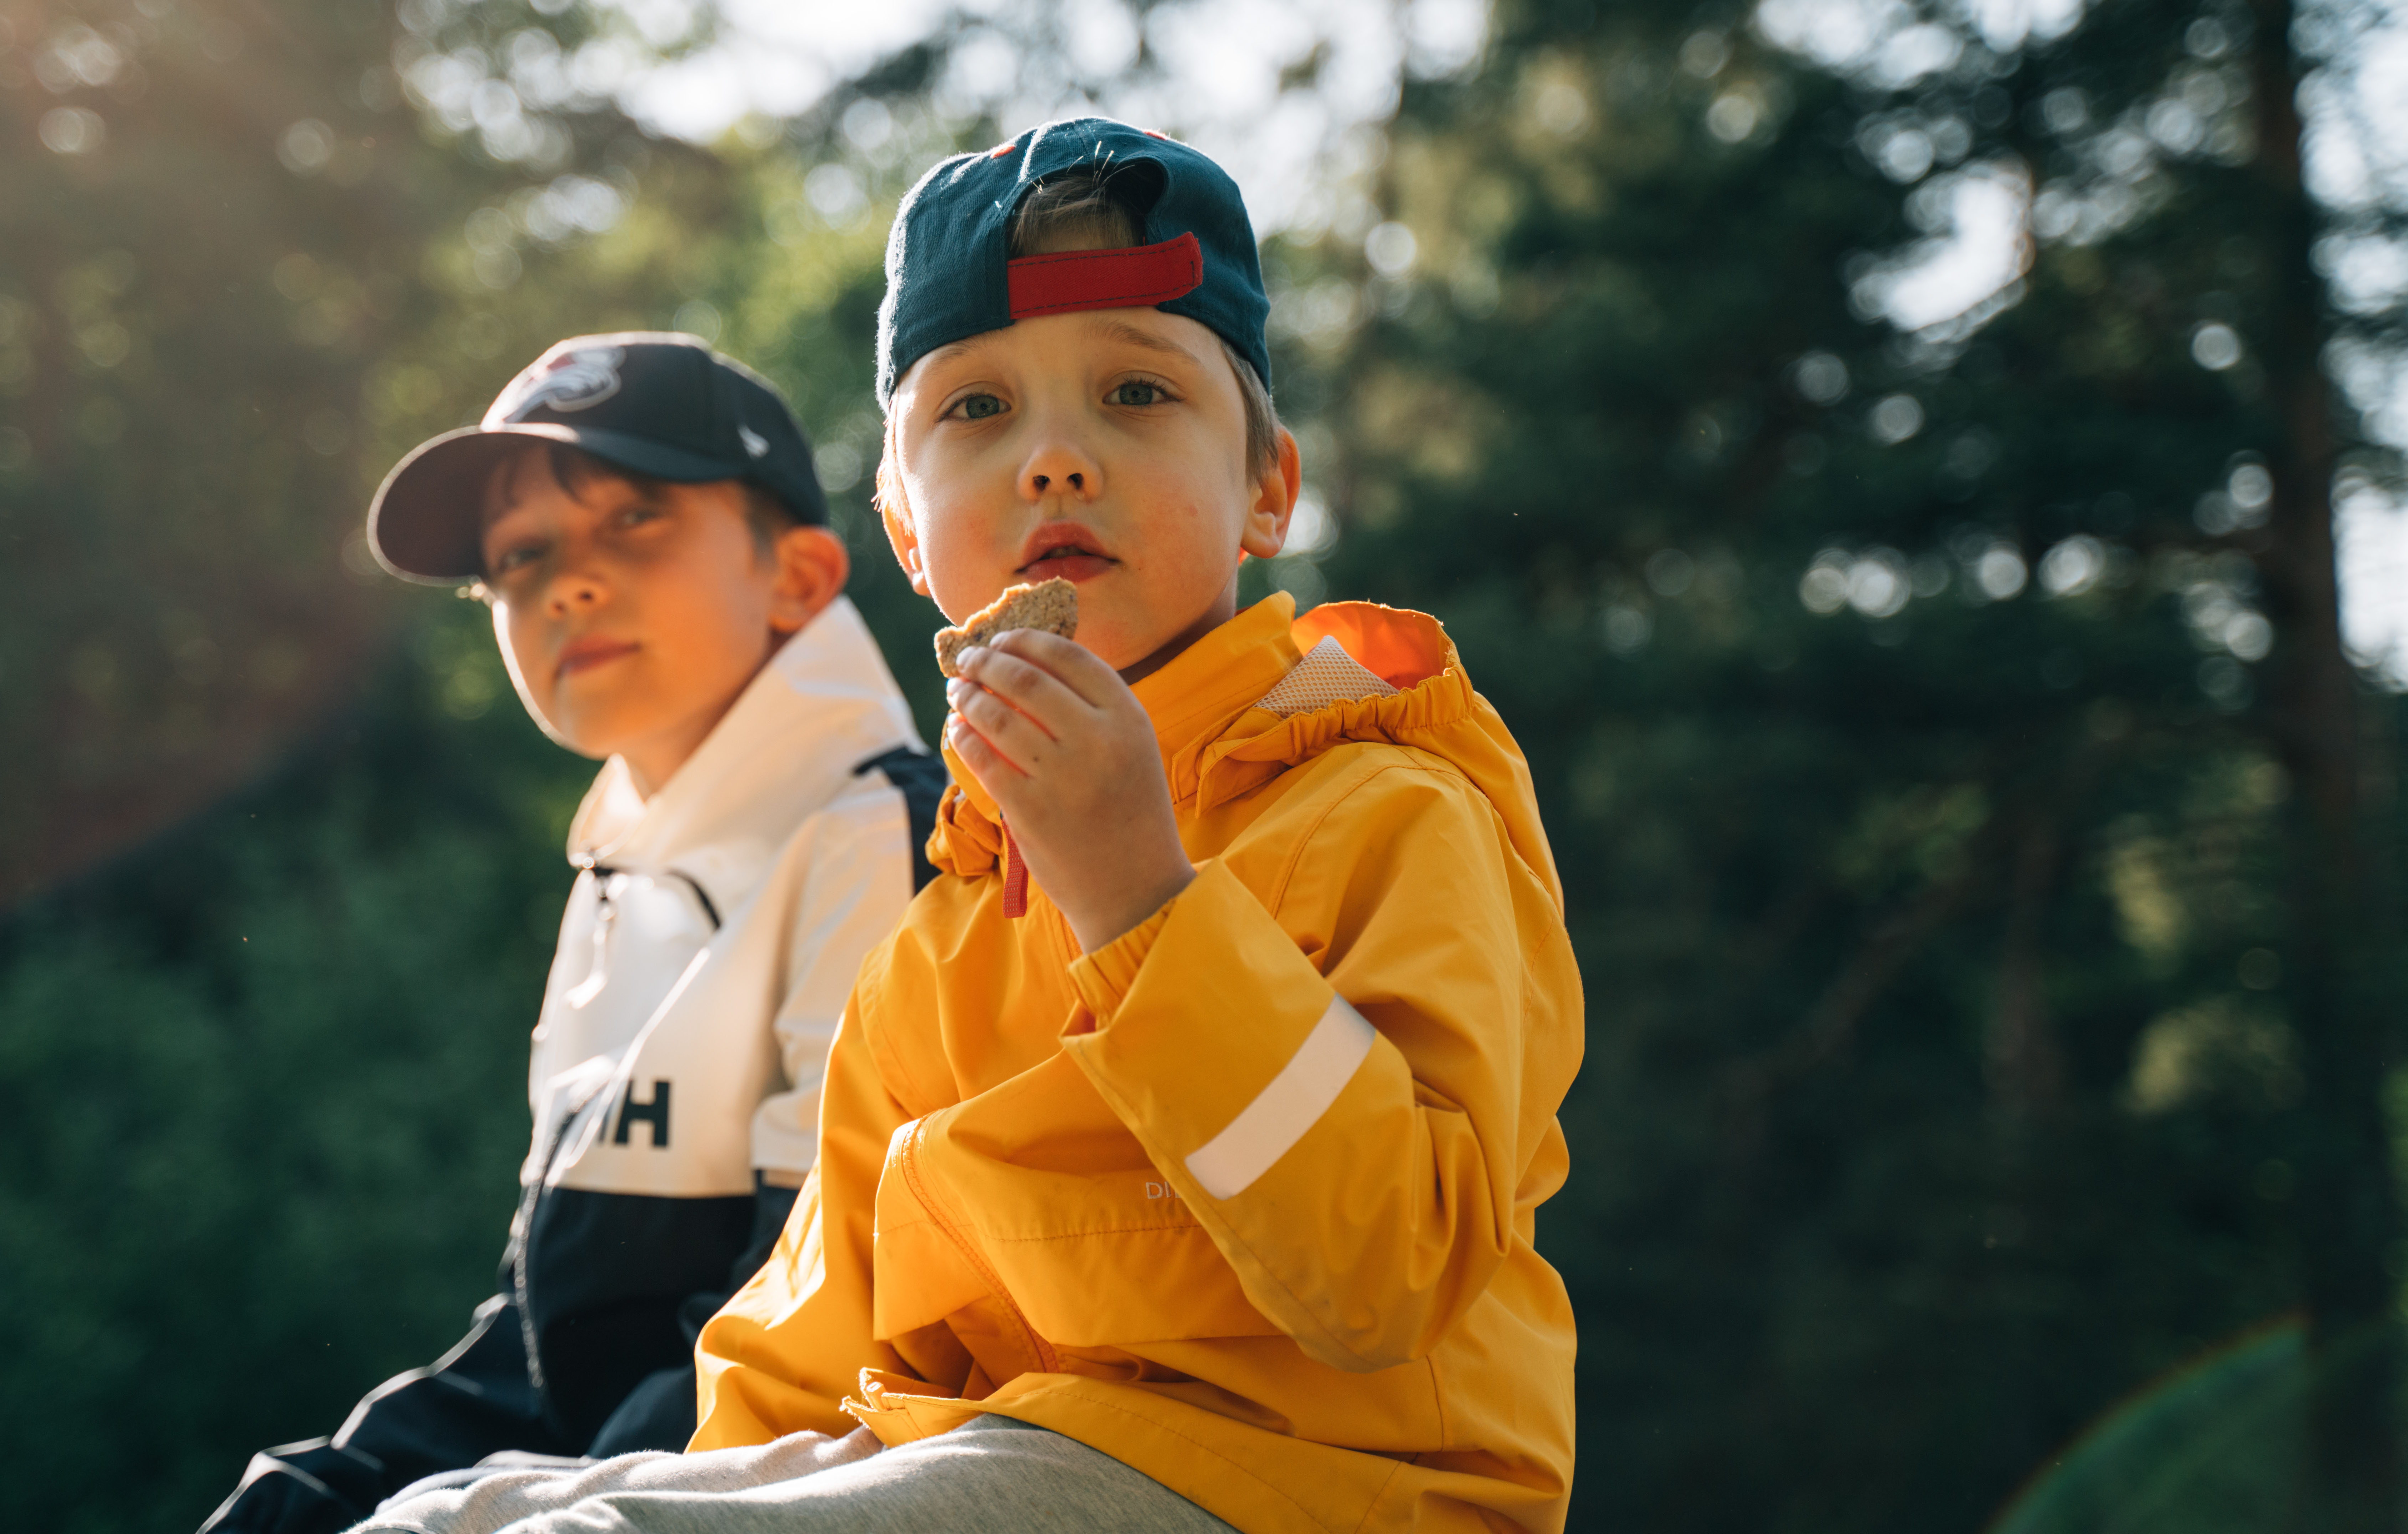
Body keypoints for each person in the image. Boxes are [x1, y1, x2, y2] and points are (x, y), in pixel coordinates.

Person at [350, 118, 1583, 1534]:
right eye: (976, 411)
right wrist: (687, 1479)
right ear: (903, 529)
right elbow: (810, 1336)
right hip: (977, 1451)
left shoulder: (1388, 803)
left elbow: (1388, 1272)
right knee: (437, 1523)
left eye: (1134, 391)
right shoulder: (947, 916)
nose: (1054, 458)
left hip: (1310, 1487)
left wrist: (1140, 899)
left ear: (1266, 490)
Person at [201, 334, 948, 1534]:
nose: (569, 584)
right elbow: (545, 1340)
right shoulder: (616, 875)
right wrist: (316, 1494)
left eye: (636, 519)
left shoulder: (888, 839)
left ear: (802, 577)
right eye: (521, 557)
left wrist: (505, 1506)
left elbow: (817, 1329)